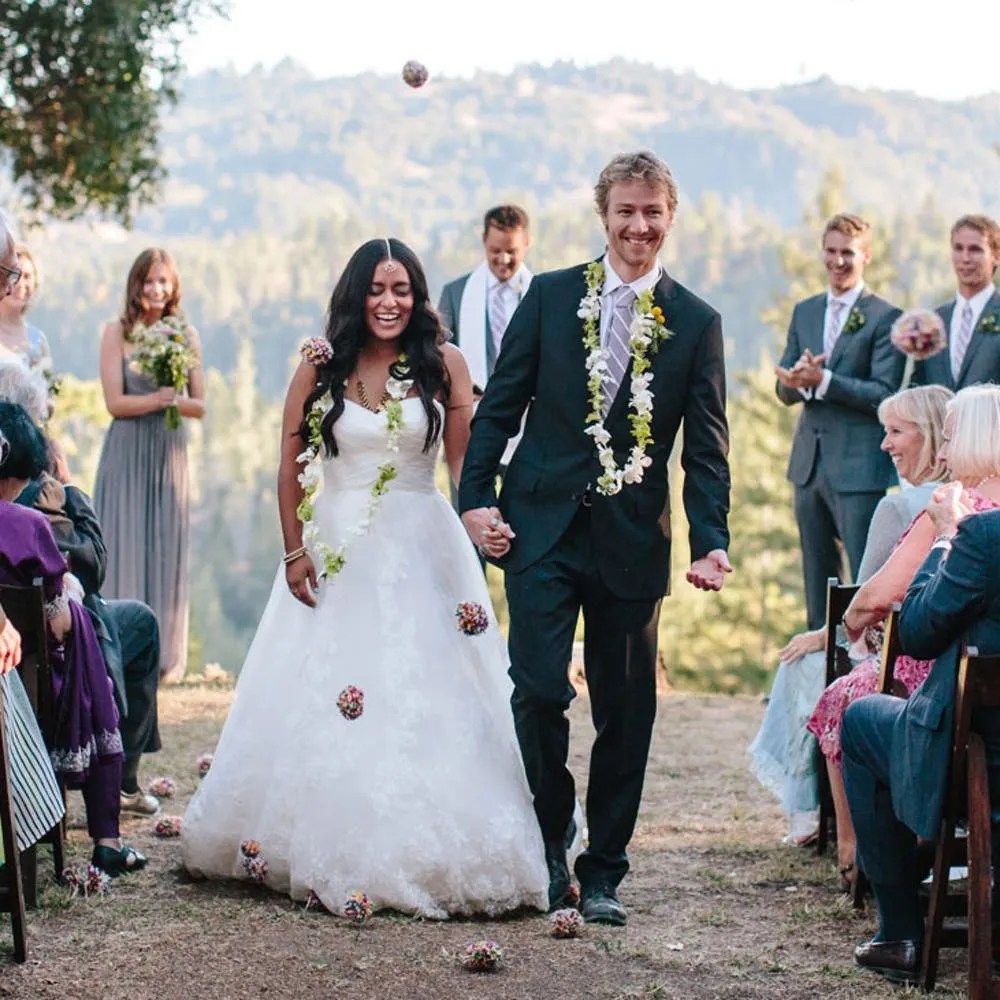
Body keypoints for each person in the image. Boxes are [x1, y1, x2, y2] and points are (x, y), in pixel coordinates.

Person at [182, 238, 548, 918]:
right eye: (376, 289)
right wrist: (294, 552)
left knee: (433, 689)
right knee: (328, 690)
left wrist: (483, 523)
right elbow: (288, 466)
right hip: (337, 548)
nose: (389, 302)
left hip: (424, 545)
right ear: (355, 295)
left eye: (401, 289)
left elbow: (469, 470)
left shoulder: (446, 366)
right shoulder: (321, 367)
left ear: (418, 296)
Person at [458, 150, 732, 926]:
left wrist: (711, 539)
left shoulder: (698, 323)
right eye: (626, 211)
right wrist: (474, 500)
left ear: (669, 217)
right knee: (538, 690)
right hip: (537, 531)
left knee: (625, 711)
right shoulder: (548, 297)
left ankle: (603, 868)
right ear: (603, 215)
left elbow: (706, 452)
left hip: (631, 545)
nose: (638, 225)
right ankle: (550, 844)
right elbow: (500, 408)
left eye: (652, 212)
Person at [808, 384, 1000, 888]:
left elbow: (907, 624)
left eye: (950, 437)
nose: (941, 451)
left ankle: (883, 894)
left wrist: (943, 537)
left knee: (852, 708)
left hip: (958, 712)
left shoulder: (964, 520)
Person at [748, 384, 952, 847]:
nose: (885, 444)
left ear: (930, 436)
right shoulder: (973, 500)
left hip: (901, 664)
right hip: (949, 660)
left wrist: (821, 636)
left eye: (895, 432)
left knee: (802, 661)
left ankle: (813, 814)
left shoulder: (901, 506)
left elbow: (859, 606)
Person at [842, 491, 1000, 984]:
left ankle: (900, 936)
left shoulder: (983, 535)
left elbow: (915, 631)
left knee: (862, 719)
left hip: (979, 766)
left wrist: (947, 536)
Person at [0, 361, 163, 816]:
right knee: (138, 623)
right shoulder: (39, 496)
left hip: (25, 647)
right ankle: (122, 777)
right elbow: (90, 563)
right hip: (41, 662)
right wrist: (72, 488)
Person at [775, 214, 904, 631]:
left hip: (860, 469)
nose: (837, 261)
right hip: (808, 465)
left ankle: (866, 676)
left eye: (847, 253)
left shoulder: (886, 317)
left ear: (865, 256)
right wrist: (795, 381)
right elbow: (785, 388)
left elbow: (885, 393)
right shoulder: (805, 310)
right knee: (817, 581)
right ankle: (816, 680)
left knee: (866, 582)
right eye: (830, 251)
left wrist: (825, 380)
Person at [93, 248, 205, 681]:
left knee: (164, 538)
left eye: (164, 281)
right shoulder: (116, 333)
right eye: (149, 281)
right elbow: (114, 402)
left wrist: (174, 400)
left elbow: (200, 403)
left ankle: (163, 658)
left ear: (173, 285)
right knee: (124, 536)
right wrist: (153, 400)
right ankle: (117, 644)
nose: (156, 289)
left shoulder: (185, 334)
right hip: (127, 447)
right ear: (135, 284)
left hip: (168, 450)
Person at [917, 214, 1000, 390]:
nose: (965, 258)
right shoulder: (933, 321)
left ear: (996, 255)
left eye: (975, 249)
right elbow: (917, 388)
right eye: (958, 248)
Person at [0, 242, 54, 381]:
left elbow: (48, 389)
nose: (20, 284)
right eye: (15, 276)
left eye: (27, 276)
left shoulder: (37, 340)